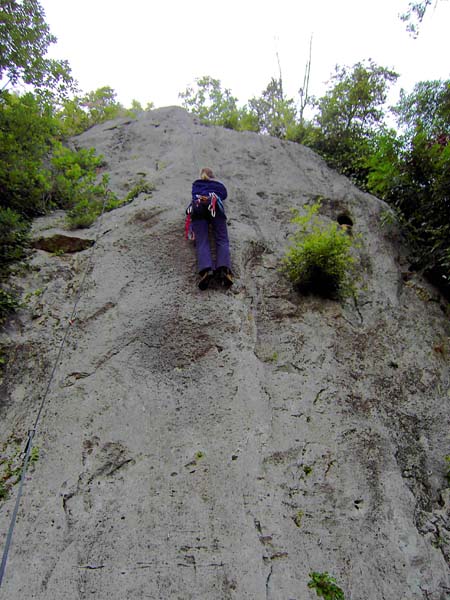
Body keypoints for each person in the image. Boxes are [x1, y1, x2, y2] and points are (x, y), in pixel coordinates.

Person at [187, 167, 233, 290]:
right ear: (212, 176)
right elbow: (224, 195)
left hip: (198, 207)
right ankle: (223, 269)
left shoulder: (196, 184)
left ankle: (206, 270)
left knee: (202, 241)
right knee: (222, 239)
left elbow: (193, 195)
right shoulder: (218, 185)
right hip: (214, 206)